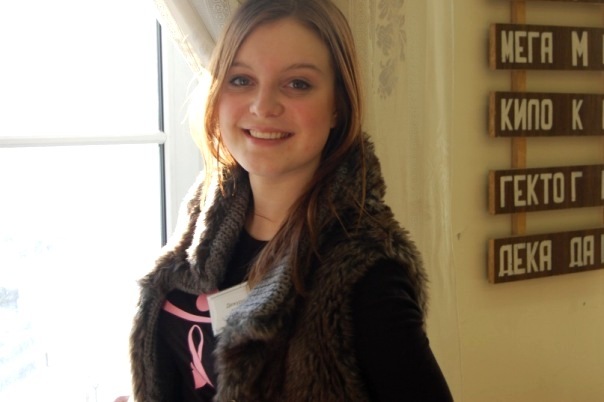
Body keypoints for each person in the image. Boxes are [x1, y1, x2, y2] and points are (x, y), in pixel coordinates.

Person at [128, 0, 453, 400]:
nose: (263, 106)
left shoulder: (365, 272)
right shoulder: (199, 225)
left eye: (297, 83)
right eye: (241, 79)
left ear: (338, 107)